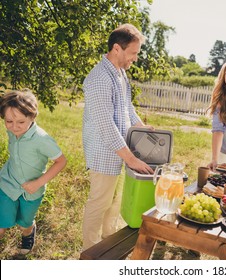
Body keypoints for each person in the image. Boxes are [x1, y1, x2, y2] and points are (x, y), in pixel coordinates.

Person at [82, 23, 155, 250]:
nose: (135, 58)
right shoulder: (99, 79)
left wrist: (142, 128)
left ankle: (108, 242)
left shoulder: (120, 74)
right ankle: (90, 252)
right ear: (117, 48)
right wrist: (132, 159)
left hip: (121, 151)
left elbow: (126, 107)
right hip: (105, 152)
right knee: (100, 202)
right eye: (133, 53)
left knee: (114, 202)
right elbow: (106, 126)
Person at [0, 90, 67, 254]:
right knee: (1, 223)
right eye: (9, 121)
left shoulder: (41, 139)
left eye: (21, 122)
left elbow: (61, 161)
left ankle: (29, 232)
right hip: (8, 184)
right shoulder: (12, 131)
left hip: (32, 191)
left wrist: (38, 183)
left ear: (32, 117)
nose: (14, 127)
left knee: (24, 224)